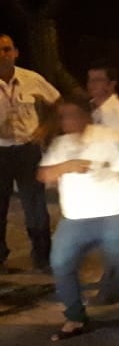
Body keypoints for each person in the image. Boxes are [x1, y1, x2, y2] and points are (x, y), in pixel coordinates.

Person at [37, 94, 119, 340]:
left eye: (70, 115)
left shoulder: (108, 138)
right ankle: (75, 317)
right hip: (75, 218)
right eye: (62, 116)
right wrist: (66, 166)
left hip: (114, 213)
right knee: (60, 263)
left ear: (85, 115)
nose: (65, 121)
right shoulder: (61, 145)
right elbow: (43, 175)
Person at [0, 33, 59, 273]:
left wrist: (45, 129)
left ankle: (43, 256)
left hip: (27, 150)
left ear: (16, 52)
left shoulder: (31, 79)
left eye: (6, 49)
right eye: (0, 50)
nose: (3, 54)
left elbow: (57, 103)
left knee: (35, 206)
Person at [85, 62, 119, 304]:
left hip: (115, 184)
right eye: (90, 80)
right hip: (101, 186)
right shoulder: (95, 110)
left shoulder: (118, 112)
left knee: (113, 242)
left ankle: (111, 291)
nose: (92, 85)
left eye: (98, 80)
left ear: (111, 84)